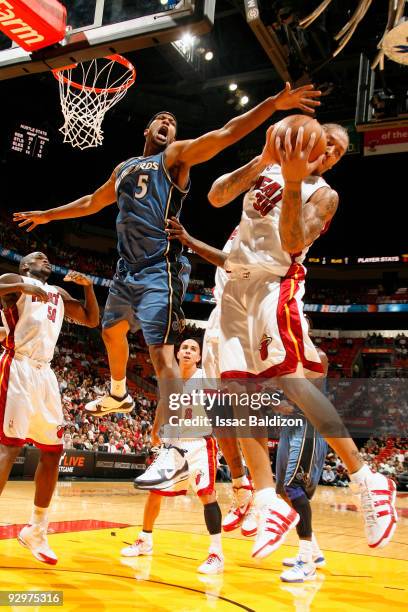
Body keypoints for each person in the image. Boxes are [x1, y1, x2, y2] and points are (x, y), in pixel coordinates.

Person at [13, 83, 322, 460]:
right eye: (161, 119)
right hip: (126, 270)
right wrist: (49, 214)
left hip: (161, 267)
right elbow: (92, 202)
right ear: (146, 130)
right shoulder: (124, 168)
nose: (167, 123)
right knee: (110, 332)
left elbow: (225, 134)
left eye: (173, 122)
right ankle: (118, 392)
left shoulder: (175, 156)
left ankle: (176, 441)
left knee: (161, 356)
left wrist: (273, 104)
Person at [207, 123, 397, 558]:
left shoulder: (324, 194)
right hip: (235, 286)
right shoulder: (266, 168)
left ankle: (366, 477)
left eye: (339, 152)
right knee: (238, 392)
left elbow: (293, 241)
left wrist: (293, 182)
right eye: (329, 142)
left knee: (292, 381)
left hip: (274, 284)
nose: (331, 153)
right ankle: (266, 496)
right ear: (309, 137)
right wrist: (265, 157)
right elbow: (216, 196)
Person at [0, 252, 99, 564]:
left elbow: (91, 319)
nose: (44, 257)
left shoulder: (57, 293)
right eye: (35, 257)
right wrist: (24, 288)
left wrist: (89, 287)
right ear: (25, 266)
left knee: (53, 451)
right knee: (8, 449)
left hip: (45, 373)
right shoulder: (15, 283)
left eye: (45, 258)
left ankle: (37, 530)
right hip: (16, 365)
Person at [165, 218, 256, 537]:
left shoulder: (271, 230)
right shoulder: (248, 214)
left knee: (242, 411)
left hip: (245, 319)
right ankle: (242, 488)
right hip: (221, 316)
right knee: (220, 418)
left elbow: (231, 263)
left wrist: (189, 240)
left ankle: (263, 496)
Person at [124, 339, 224, 575]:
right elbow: (163, 404)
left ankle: (217, 553)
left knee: (207, 496)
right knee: (155, 493)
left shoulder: (206, 375)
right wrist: (155, 431)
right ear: (178, 353)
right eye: (185, 348)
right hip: (174, 443)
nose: (188, 351)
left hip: (200, 443)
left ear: (199, 357)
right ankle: (145, 539)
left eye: (193, 349)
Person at [276, 345, 328, 583]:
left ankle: (306, 562)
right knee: (282, 491)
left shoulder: (318, 356)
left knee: (295, 488)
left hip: (308, 425)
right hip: (289, 426)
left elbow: (308, 395)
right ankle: (314, 552)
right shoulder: (283, 356)